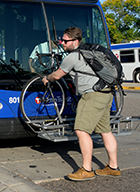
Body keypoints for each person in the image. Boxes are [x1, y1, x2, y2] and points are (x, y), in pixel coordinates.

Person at [42, 27, 120, 181]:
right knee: (105, 130)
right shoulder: (88, 52)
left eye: (65, 41)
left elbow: (57, 75)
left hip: (92, 96)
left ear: (75, 41)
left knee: (81, 130)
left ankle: (86, 169)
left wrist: (47, 78)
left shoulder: (73, 56)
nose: (62, 43)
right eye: (62, 40)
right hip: (106, 93)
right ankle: (113, 167)